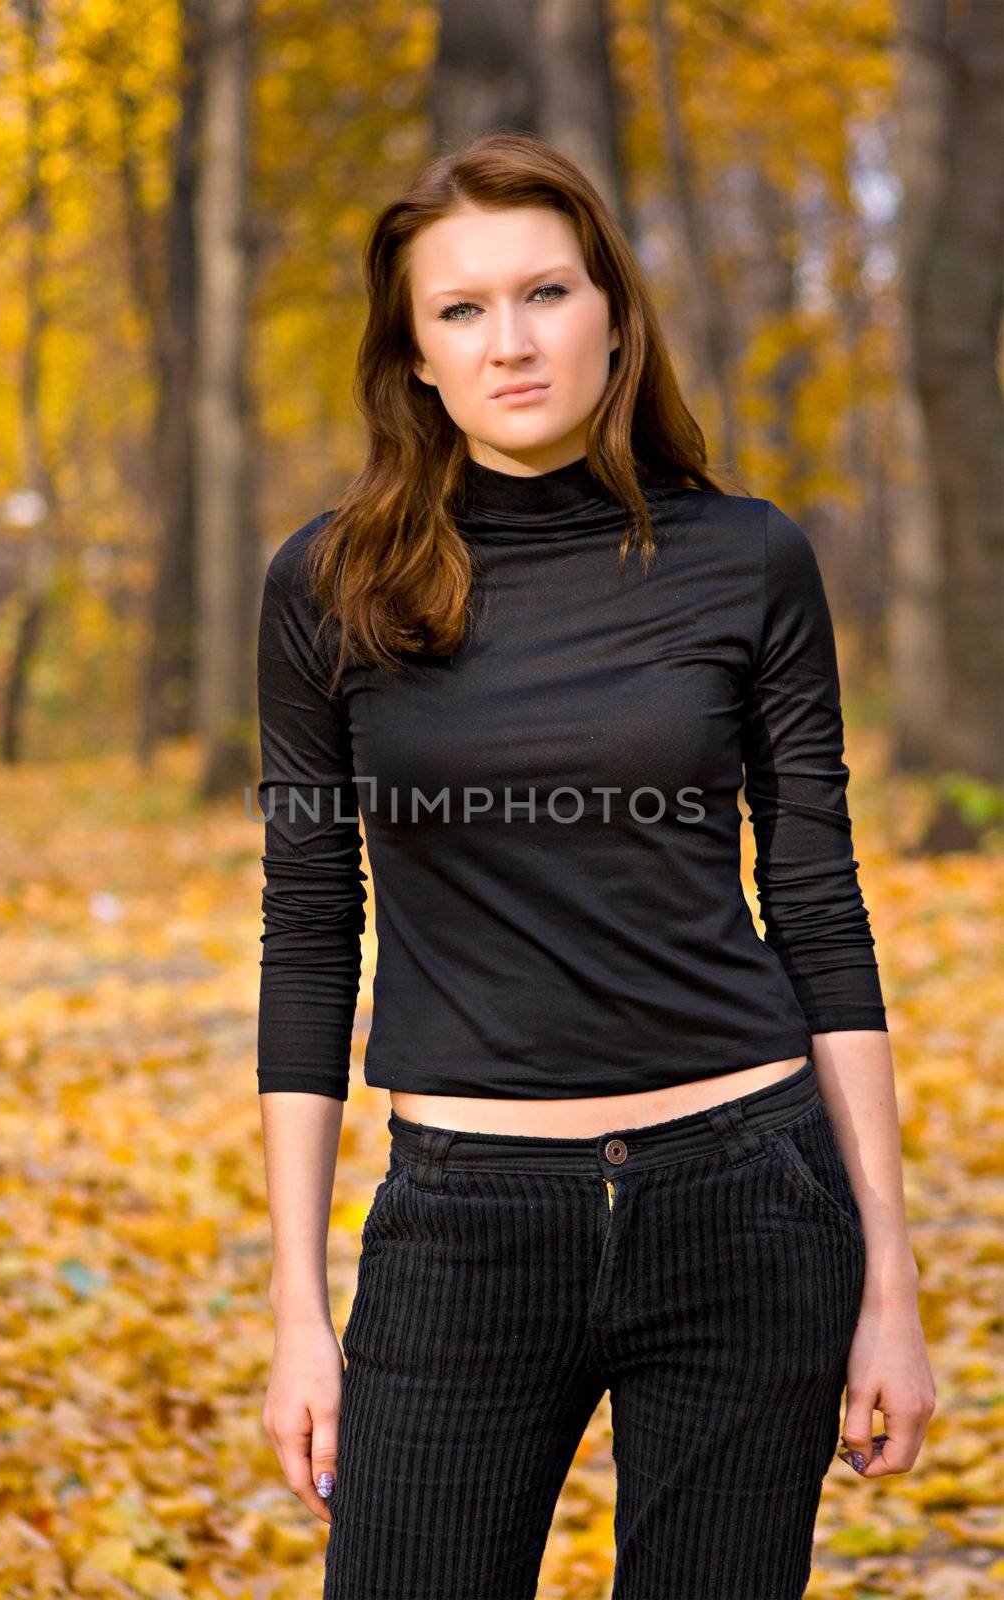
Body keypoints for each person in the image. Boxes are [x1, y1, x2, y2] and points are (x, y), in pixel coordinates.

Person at [255, 131, 935, 1600]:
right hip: (463, 1222)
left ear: (614, 314)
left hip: (748, 1206)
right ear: (416, 356)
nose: (511, 341)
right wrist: (296, 1312)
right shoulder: (328, 587)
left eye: (546, 292)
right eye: (461, 309)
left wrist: (891, 1275)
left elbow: (821, 911)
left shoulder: (751, 562)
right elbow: (311, 938)